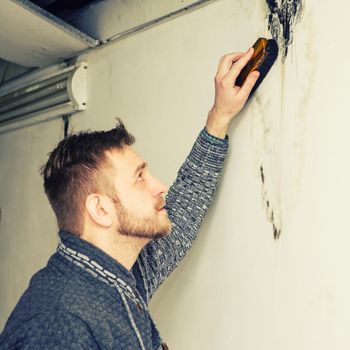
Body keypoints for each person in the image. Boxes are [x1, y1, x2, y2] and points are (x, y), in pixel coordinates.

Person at [0, 48, 259, 349]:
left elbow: (182, 215)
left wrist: (219, 117)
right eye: (140, 178)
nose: (160, 187)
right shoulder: (55, 325)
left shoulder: (117, 275)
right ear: (100, 209)